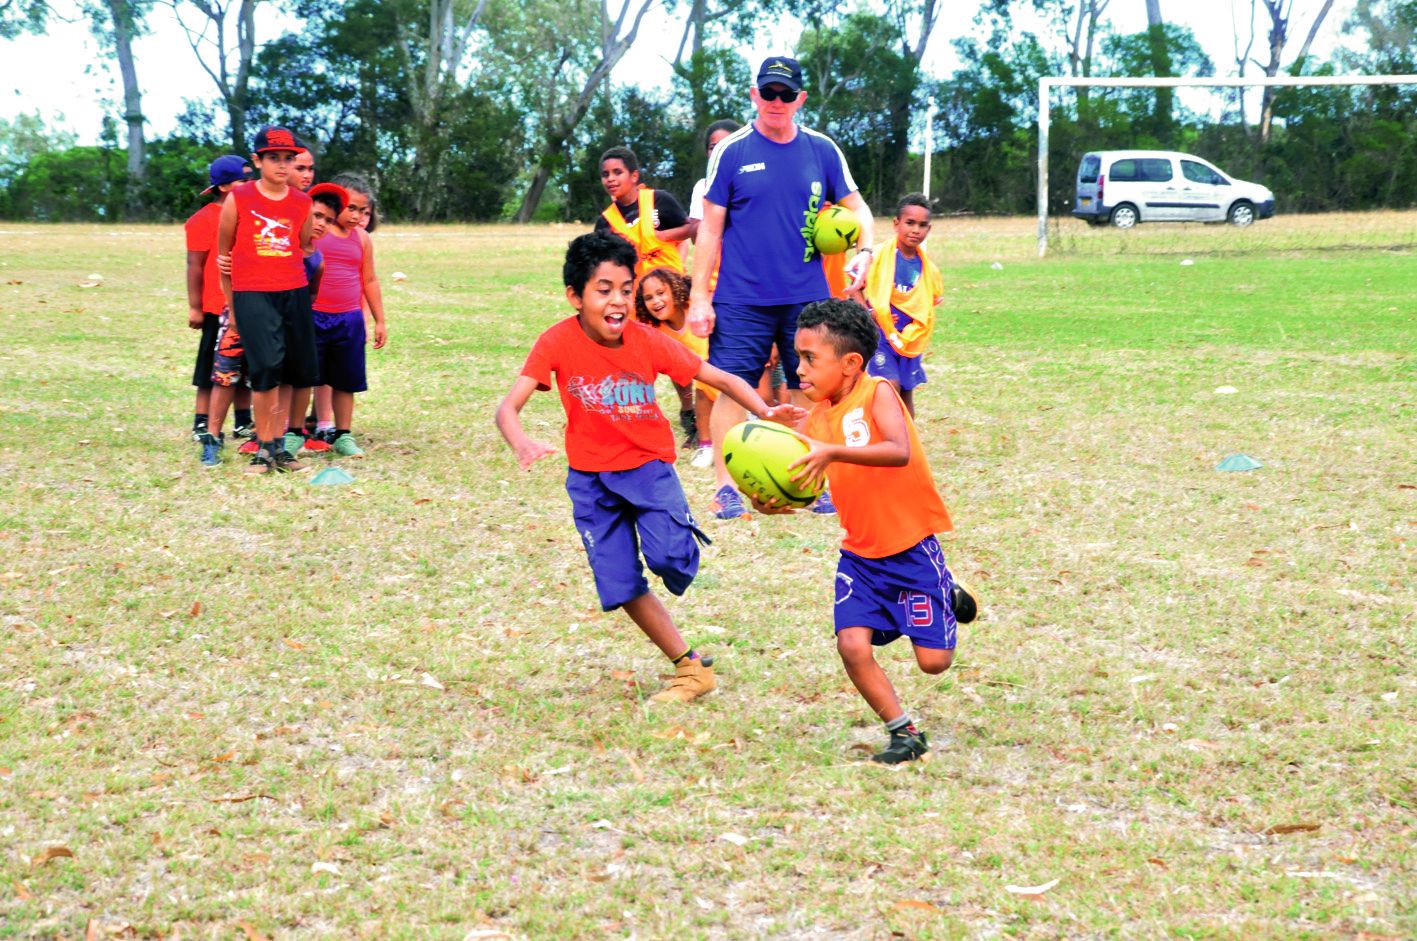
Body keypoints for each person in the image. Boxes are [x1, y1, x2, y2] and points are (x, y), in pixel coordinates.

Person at [495, 232, 804, 703]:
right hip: (591, 482)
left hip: (649, 471)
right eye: (604, 290)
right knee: (622, 585)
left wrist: (764, 411)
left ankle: (681, 533)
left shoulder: (648, 341)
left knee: (668, 561)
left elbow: (719, 377)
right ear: (575, 296)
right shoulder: (555, 341)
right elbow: (507, 408)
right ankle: (690, 668)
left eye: (625, 288)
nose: (618, 301)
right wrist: (520, 441)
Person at [747, 298, 976, 764]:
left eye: (811, 358)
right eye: (798, 356)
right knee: (852, 645)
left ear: (851, 364)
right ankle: (904, 733)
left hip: (911, 549)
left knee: (934, 663)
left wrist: (829, 450)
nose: (799, 367)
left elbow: (898, 450)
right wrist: (769, 502)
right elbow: (803, 489)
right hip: (860, 556)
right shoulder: (815, 420)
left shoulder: (878, 393)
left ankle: (946, 590)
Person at [687, 55, 876, 520]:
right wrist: (698, 296)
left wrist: (866, 250)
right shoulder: (730, 151)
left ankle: (812, 477)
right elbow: (709, 229)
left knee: (808, 387)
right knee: (731, 388)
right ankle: (727, 488)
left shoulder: (822, 150)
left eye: (785, 94)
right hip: (740, 297)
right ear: (754, 95)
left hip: (807, 297)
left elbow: (859, 208)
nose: (776, 101)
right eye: (768, 92)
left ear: (800, 99)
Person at [216, 125, 317, 475]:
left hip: (293, 292)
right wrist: (234, 303)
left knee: (290, 369)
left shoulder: (302, 203)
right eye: (273, 158)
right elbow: (224, 253)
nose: (282, 165)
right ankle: (263, 448)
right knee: (264, 370)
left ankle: (281, 447)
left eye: (288, 159)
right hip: (253, 294)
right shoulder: (239, 198)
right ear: (258, 160)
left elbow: (303, 246)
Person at [297, 180, 386, 459]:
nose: (358, 217)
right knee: (303, 378)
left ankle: (343, 435)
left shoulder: (362, 238)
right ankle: (294, 432)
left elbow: (369, 279)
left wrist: (379, 320)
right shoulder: (317, 231)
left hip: (348, 319)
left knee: (346, 381)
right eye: (352, 209)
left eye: (363, 211)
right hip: (313, 315)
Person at [186, 154, 253, 454]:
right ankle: (202, 423)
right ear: (225, 186)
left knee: (244, 368)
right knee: (211, 371)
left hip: (247, 305)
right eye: (245, 180)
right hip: (215, 307)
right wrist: (195, 307)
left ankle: (243, 420)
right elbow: (195, 265)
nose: (251, 185)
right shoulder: (202, 220)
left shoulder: (250, 215)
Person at [855, 193, 942, 417]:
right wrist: (870, 313)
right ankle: (885, 440)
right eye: (910, 223)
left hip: (909, 339)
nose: (915, 230)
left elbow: (928, 302)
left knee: (906, 393)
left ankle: (908, 445)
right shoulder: (877, 256)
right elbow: (855, 288)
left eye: (922, 225)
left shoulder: (927, 268)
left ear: (929, 230)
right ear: (896, 223)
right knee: (888, 386)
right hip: (881, 336)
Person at [634, 267, 714, 468]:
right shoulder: (655, 330)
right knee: (699, 387)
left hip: (720, 368)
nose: (656, 301)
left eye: (661, 293)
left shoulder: (695, 310)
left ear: (675, 290)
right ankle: (704, 441)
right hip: (699, 376)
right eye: (649, 298)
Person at [593, 146, 690, 278]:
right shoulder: (605, 222)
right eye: (605, 174)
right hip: (634, 294)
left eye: (617, 172)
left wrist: (664, 236)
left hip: (671, 288)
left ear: (634, 176)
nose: (610, 178)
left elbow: (690, 228)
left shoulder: (659, 199)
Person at [686, 119, 741, 249]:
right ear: (707, 152)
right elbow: (694, 236)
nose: (719, 152)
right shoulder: (703, 187)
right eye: (713, 147)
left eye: (726, 146)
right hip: (717, 264)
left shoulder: (754, 183)